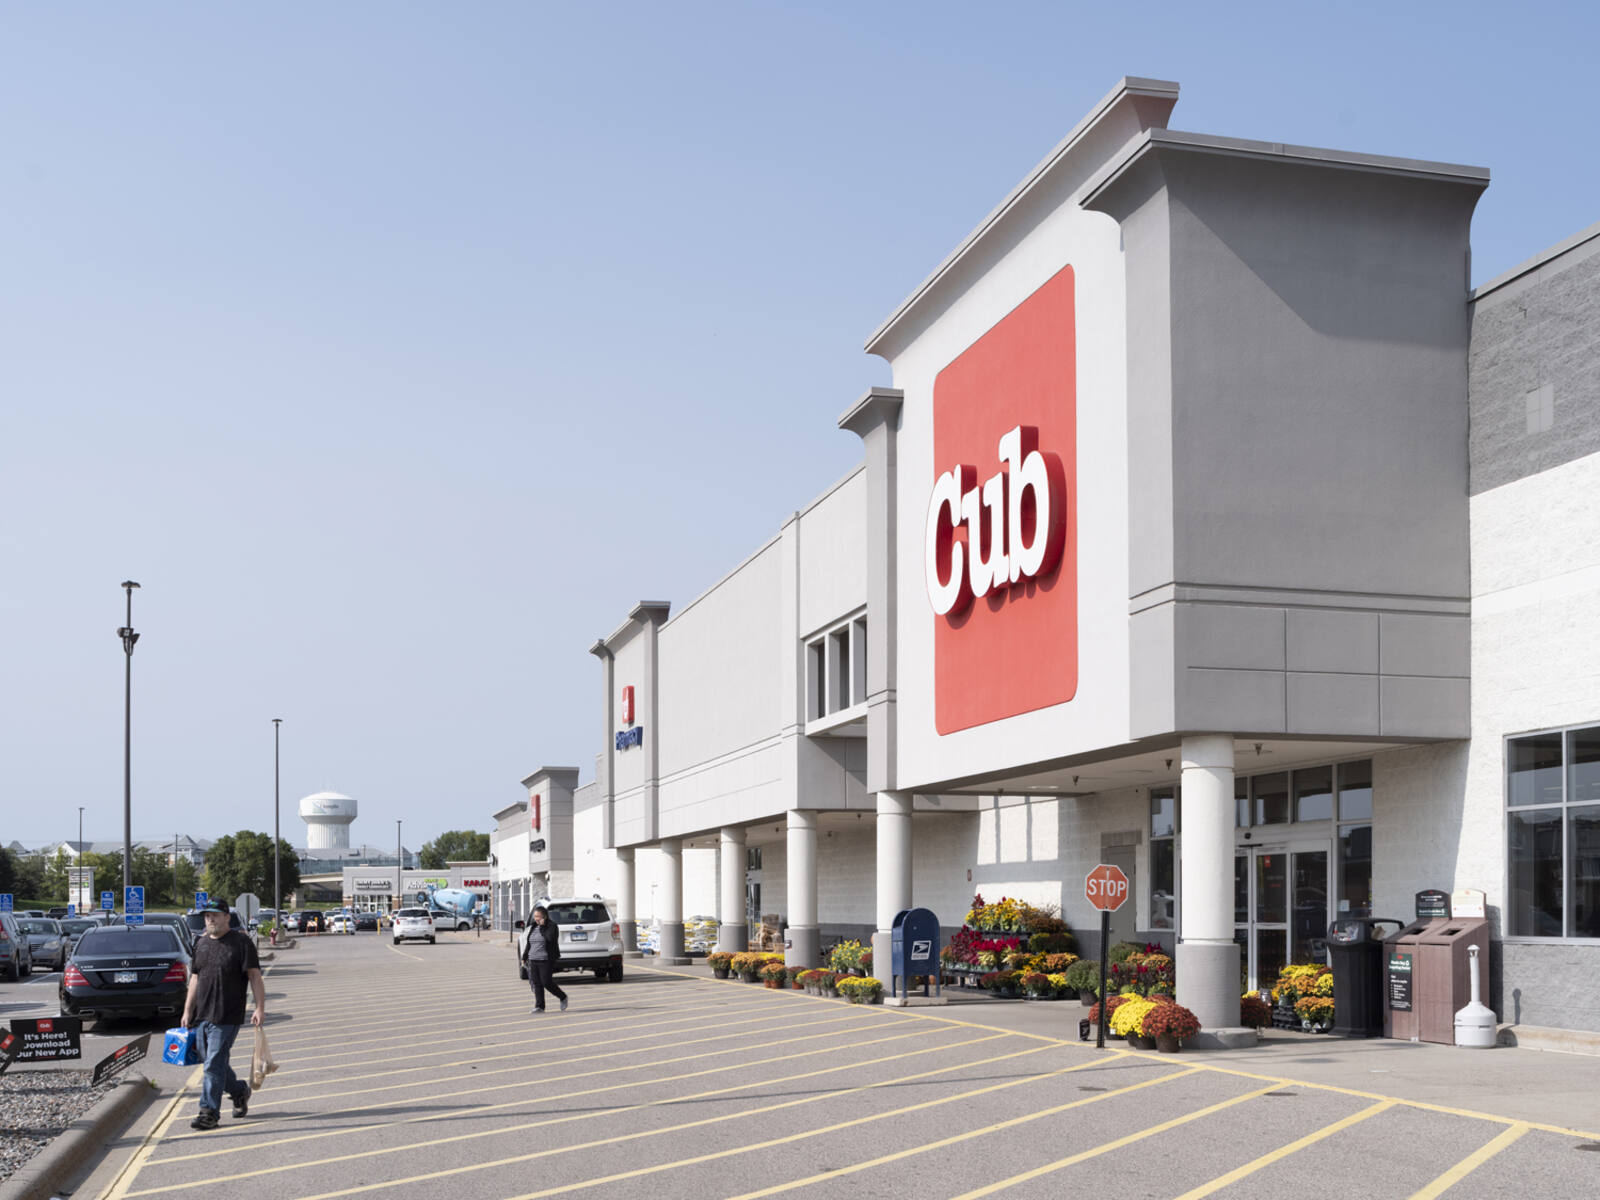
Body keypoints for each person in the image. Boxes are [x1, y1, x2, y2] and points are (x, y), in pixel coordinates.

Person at [181, 899, 265, 1130]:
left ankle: (208, 1113)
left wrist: (259, 1007)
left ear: (227, 917)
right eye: (207, 916)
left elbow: (255, 976)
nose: (210, 919)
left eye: (215, 915)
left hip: (228, 1015)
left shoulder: (241, 942)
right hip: (202, 1015)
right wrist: (187, 1011)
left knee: (213, 1064)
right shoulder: (201, 943)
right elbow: (195, 978)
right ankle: (239, 1092)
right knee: (213, 1063)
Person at [522, 904, 568, 1014]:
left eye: (538, 916)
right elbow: (529, 943)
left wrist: (542, 927)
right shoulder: (533, 927)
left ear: (545, 917)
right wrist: (524, 957)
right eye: (535, 916)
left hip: (546, 959)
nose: (536, 918)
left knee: (546, 982)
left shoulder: (552, 926)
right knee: (537, 983)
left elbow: (550, 938)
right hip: (533, 959)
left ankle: (562, 997)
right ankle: (539, 1006)